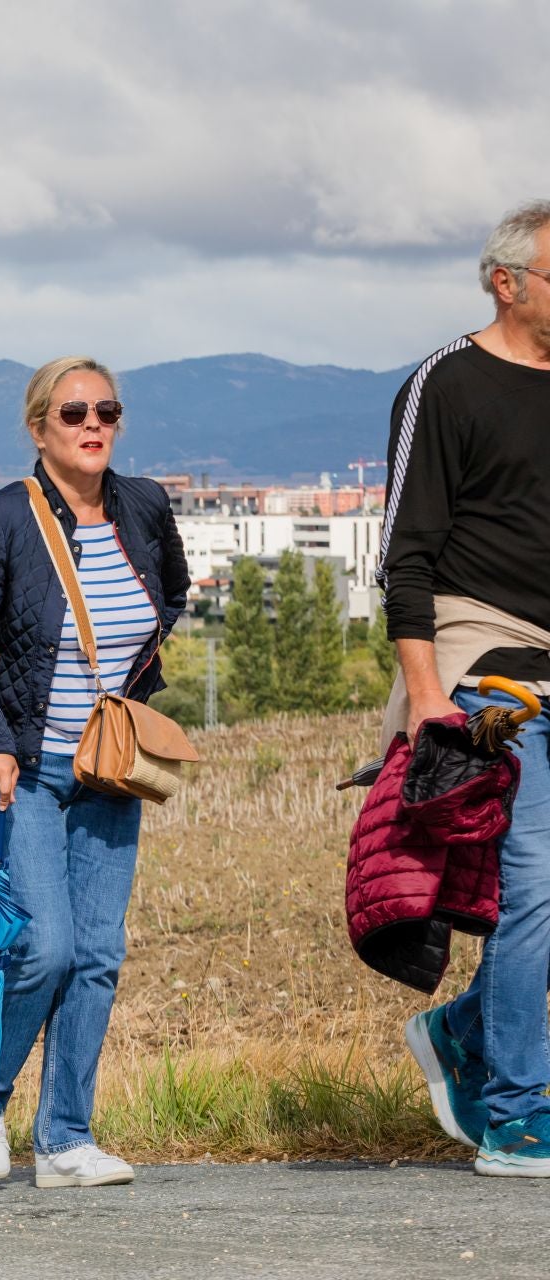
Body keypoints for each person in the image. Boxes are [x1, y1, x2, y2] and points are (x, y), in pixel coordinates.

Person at [0, 356, 188, 1189]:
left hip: (109, 769)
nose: (93, 424)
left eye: (106, 410)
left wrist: (129, 696)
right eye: (74, 412)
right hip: (22, 766)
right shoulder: (3, 519)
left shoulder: (143, 505)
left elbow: (170, 597)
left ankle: (66, 1140)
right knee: (45, 946)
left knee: (100, 953)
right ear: (40, 427)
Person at [380, 199, 550, 1177]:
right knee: (530, 881)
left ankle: (463, 1034)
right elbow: (407, 553)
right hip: (481, 656)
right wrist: (426, 691)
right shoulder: (445, 383)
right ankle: (518, 1111)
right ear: (508, 281)